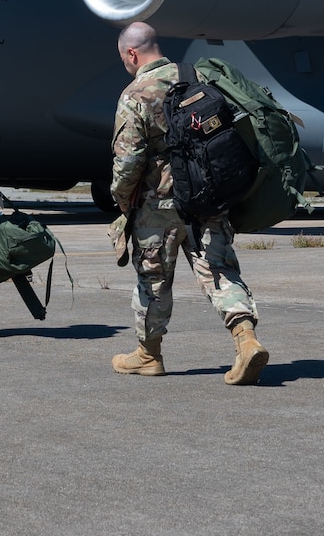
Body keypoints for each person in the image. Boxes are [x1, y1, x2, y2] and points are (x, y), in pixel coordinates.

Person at [108, 21, 268, 385]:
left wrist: (120, 199)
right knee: (221, 273)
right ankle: (247, 341)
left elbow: (128, 161)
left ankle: (149, 355)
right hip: (206, 198)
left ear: (132, 54)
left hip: (157, 208)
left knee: (153, 281)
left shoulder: (135, 94)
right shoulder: (198, 78)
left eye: (124, 59)